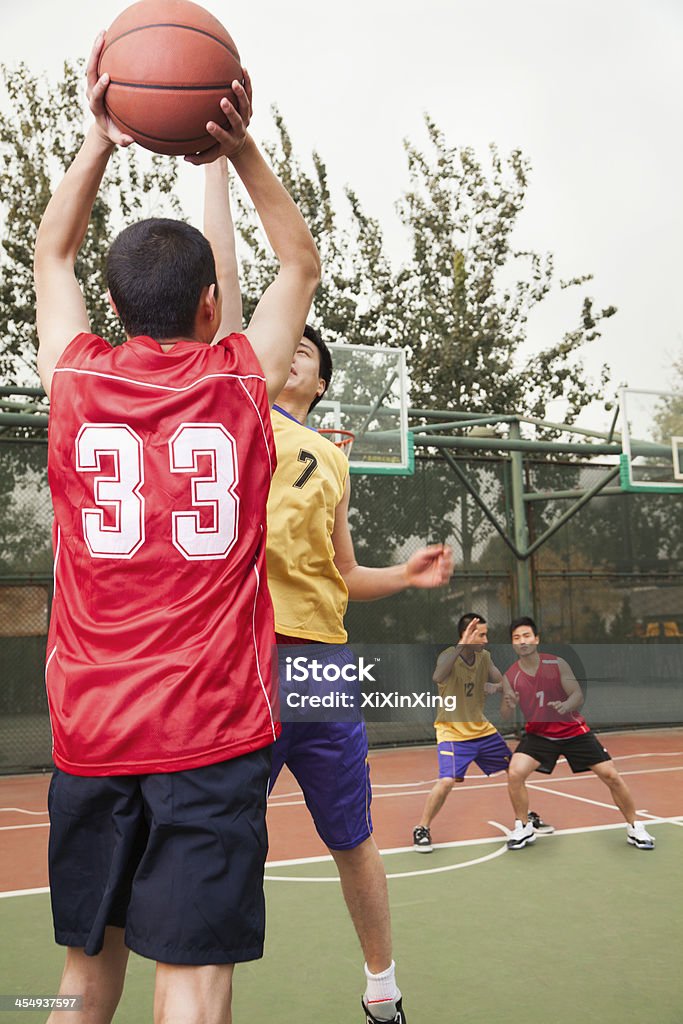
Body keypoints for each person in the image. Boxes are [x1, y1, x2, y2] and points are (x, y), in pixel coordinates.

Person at [34, 37, 319, 1024]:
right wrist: (237, 147)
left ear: (111, 308)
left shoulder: (74, 378)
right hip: (211, 733)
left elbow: (51, 251)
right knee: (191, 982)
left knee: (82, 974)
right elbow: (297, 260)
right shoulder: (240, 381)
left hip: (93, 730)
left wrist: (98, 138)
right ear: (210, 307)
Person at [263, 326, 453, 1024]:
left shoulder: (332, 461)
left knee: (350, 835)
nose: (290, 349)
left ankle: (382, 986)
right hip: (242, 655)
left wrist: (402, 573)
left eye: (305, 351)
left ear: (318, 384)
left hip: (318, 663)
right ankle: (185, 989)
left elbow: (342, 574)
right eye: (282, 341)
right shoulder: (236, 418)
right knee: (216, 832)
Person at [501, 616, 656, 851]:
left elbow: (577, 695)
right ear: (513, 644)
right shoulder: (511, 675)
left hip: (573, 731)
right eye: (516, 638)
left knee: (611, 775)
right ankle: (523, 826)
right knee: (515, 772)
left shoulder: (556, 664)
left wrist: (566, 706)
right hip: (539, 736)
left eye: (526, 636)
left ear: (536, 639)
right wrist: (508, 703)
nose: (522, 641)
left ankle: (635, 826)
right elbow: (504, 713)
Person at [412, 613, 553, 853]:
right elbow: (438, 676)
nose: (486, 640)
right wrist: (462, 645)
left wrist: (501, 689)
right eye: (481, 634)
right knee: (446, 781)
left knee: (515, 771)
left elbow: (502, 681)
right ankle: (421, 828)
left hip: (482, 731)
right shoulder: (449, 656)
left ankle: (525, 818)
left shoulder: (484, 658)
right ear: (466, 635)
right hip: (453, 733)